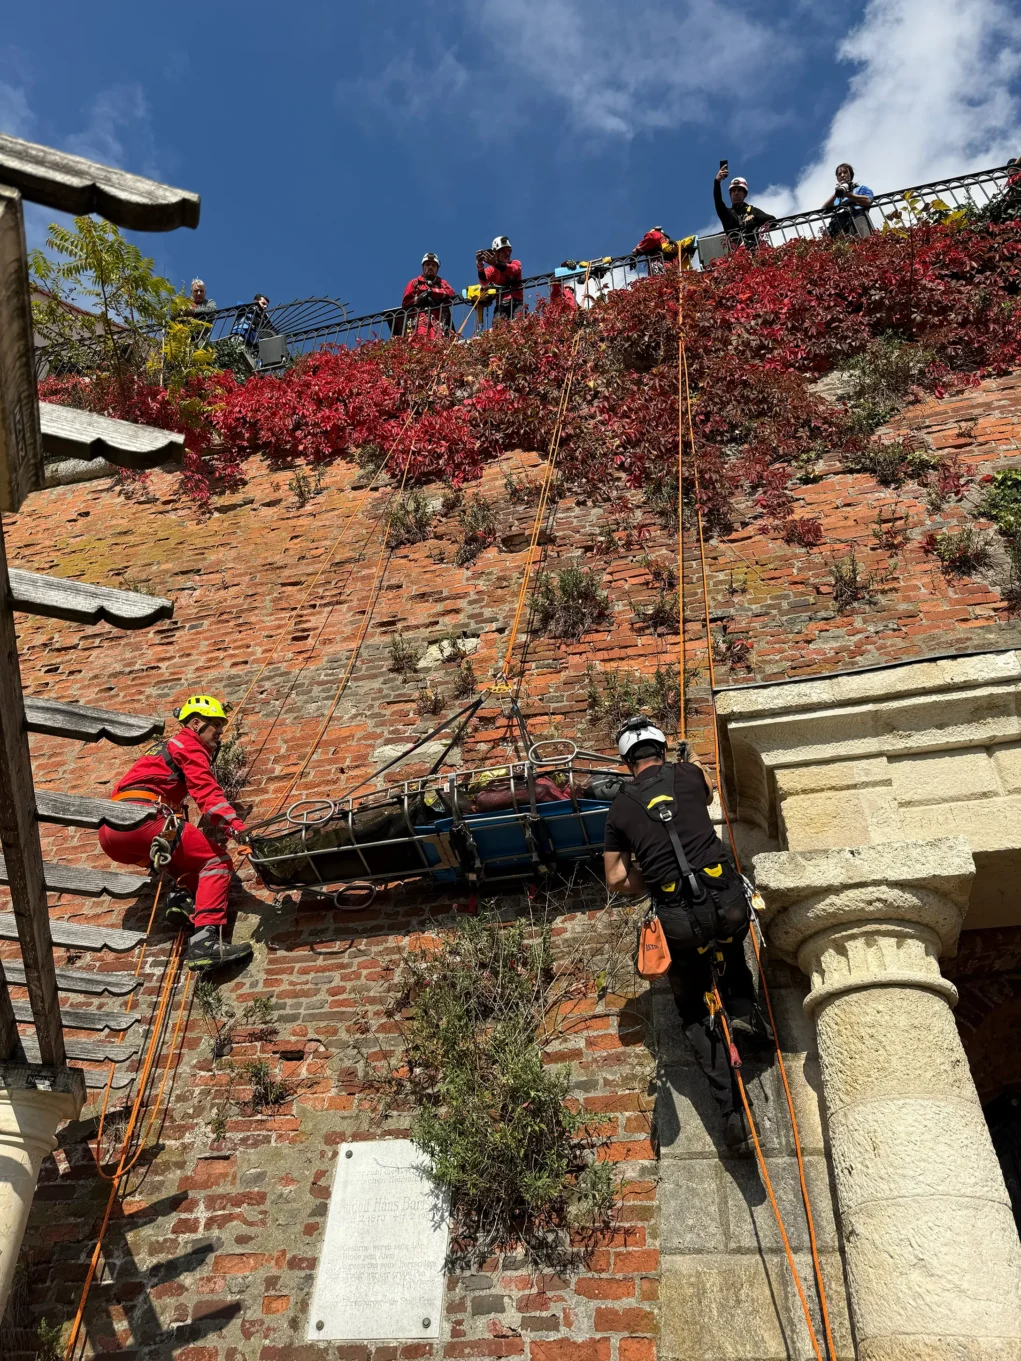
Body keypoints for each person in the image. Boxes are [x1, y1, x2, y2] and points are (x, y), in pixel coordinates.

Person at [603, 717, 770, 1148]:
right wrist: (690, 755)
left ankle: (733, 1117)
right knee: (732, 947)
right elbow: (709, 788)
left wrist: (649, 878)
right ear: (661, 750)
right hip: (726, 904)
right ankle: (743, 1011)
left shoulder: (620, 808)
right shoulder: (690, 776)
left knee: (694, 1011)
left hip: (679, 922)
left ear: (626, 762)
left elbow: (616, 878)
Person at [97, 695, 254, 971]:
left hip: (112, 833)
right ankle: (205, 942)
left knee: (188, 859)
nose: (219, 733)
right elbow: (207, 794)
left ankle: (183, 900)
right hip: (142, 819)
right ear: (195, 724)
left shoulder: (161, 753)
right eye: (214, 726)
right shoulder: (188, 745)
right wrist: (236, 828)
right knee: (216, 862)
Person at [713, 170, 776, 251]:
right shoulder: (727, 214)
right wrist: (717, 182)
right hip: (735, 255)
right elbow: (718, 202)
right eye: (733, 191)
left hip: (755, 251)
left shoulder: (752, 210)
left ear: (745, 194)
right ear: (730, 195)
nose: (736, 193)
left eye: (739, 190)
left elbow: (773, 221)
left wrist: (754, 218)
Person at [401, 253, 457, 336]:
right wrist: (419, 299)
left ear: (437, 269)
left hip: (439, 322)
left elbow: (451, 294)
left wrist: (431, 292)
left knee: (437, 345)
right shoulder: (414, 283)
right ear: (423, 267)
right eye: (427, 264)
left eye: (433, 265)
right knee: (419, 344)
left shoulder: (442, 283)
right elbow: (406, 302)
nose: (430, 267)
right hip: (419, 322)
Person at [476, 236, 524, 322]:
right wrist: (480, 266)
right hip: (501, 306)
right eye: (504, 251)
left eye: (509, 250)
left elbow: (513, 270)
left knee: (519, 322)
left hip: (517, 303)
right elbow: (484, 281)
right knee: (498, 325)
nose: (507, 253)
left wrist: (495, 263)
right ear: (496, 253)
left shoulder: (515, 263)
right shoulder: (492, 269)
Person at [822, 163, 875, 237]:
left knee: (865, 242)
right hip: (840, 227)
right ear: (837, 178)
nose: (842, 175)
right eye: (839, 174)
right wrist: (837, 192)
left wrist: (849, 195)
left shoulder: (861, 189)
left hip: (857, 219)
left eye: (845, 172)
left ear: (851, 174)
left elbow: (868, 201)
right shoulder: (837, 198)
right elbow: (824, 209)